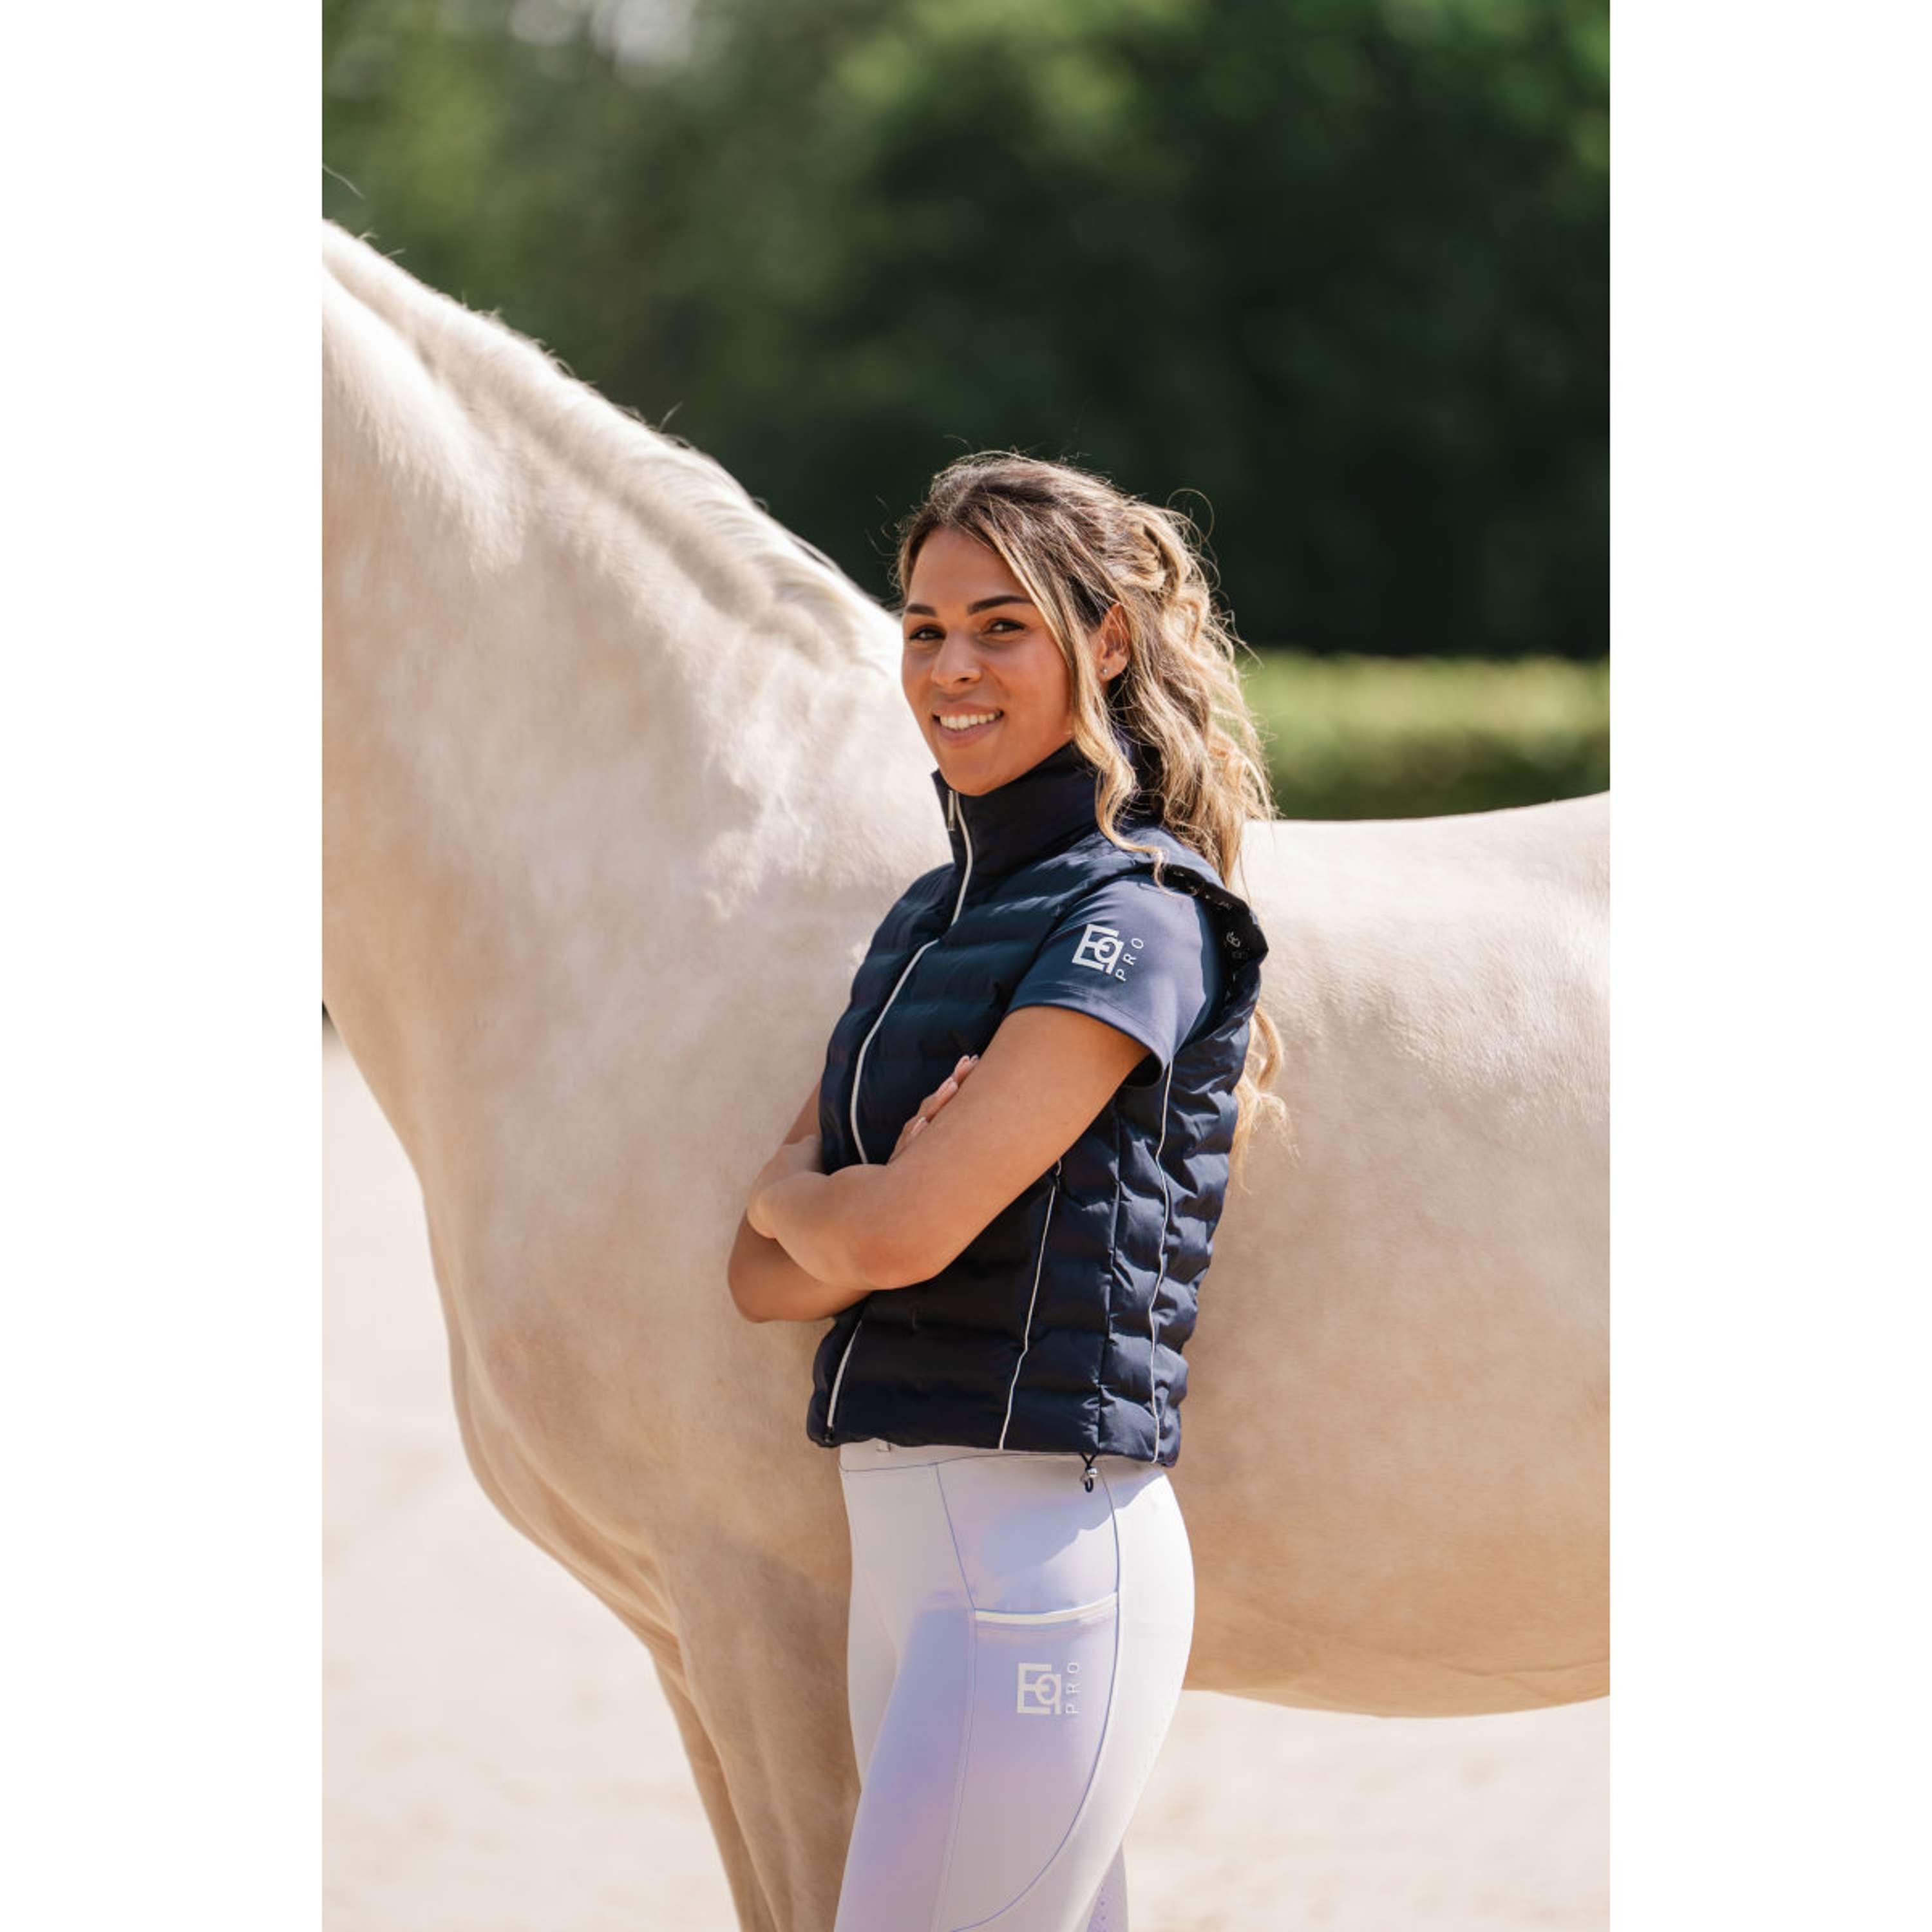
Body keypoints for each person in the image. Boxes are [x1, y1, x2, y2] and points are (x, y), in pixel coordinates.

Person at [728, 451, 1284, 1931]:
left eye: (1002, 626)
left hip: (1042, 1551)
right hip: (912, 1556)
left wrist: (827, 1201)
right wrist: (821, 1206)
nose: (950, 667)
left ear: (1108, 642)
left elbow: (898, 1230)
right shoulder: (926, 919)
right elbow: (759, 1275)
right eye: (924, 629)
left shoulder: (1137, 916)